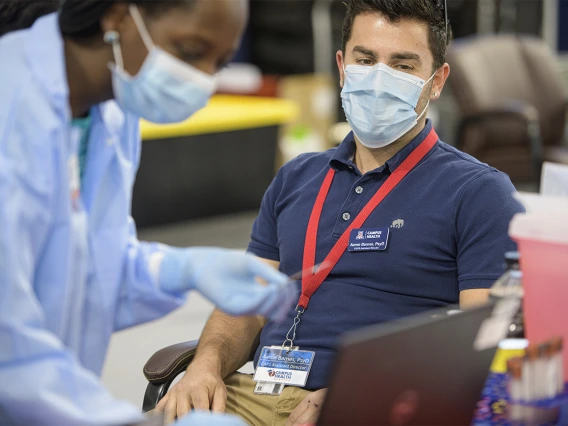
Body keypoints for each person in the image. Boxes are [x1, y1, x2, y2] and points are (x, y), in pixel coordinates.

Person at [157, 0, 526, 425]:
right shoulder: (295, 177)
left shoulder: (478, 191)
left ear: (437, 81)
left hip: (375, 406)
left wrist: (362, 393)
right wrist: (204, 366)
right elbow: (247, 303)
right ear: (342, 66)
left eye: (403, 66)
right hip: (252, 393)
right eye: (365, 60)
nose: (379, 79)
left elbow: (481, 341)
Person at [0, 1, 297, 425]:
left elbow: (81, 271)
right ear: (118, 16)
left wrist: (180, 269)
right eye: (191, 51)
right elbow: (8, 343)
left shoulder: (110, 110)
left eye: (220, 62)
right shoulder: (11, 106)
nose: (203, 80)